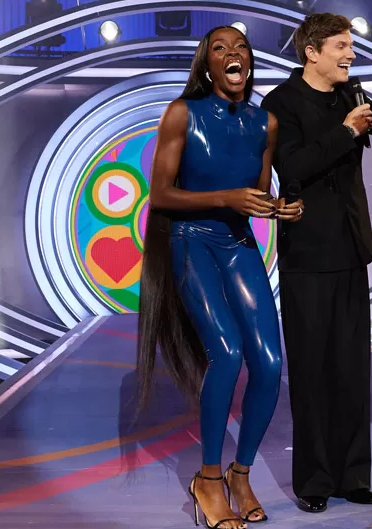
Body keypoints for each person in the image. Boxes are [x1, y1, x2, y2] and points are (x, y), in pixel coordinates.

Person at [136, 26, 303, 529]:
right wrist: (225, 198)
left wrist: (277, 207)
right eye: (220, 48)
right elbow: (160, 194)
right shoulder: (182, 113)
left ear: (249, 62)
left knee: (270, 363)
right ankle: (208, 479)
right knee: (227, 353)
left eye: (241, 47)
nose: (233, 54)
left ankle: (239, 473)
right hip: (192, 242)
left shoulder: (265, 123)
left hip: (238, 244)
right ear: (207, 67)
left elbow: (256, 193)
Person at [259, 13, 372, 513]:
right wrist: (344, 132)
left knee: (352, 369)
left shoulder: (351, 94)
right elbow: (292, 166)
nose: (350, 54)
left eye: (350, 45)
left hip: (351, 248)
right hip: (307, 252)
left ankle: (353, 476)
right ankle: (314, 481)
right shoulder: (280, 103)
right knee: (312, 372)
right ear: (312, 51)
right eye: (341, 45)